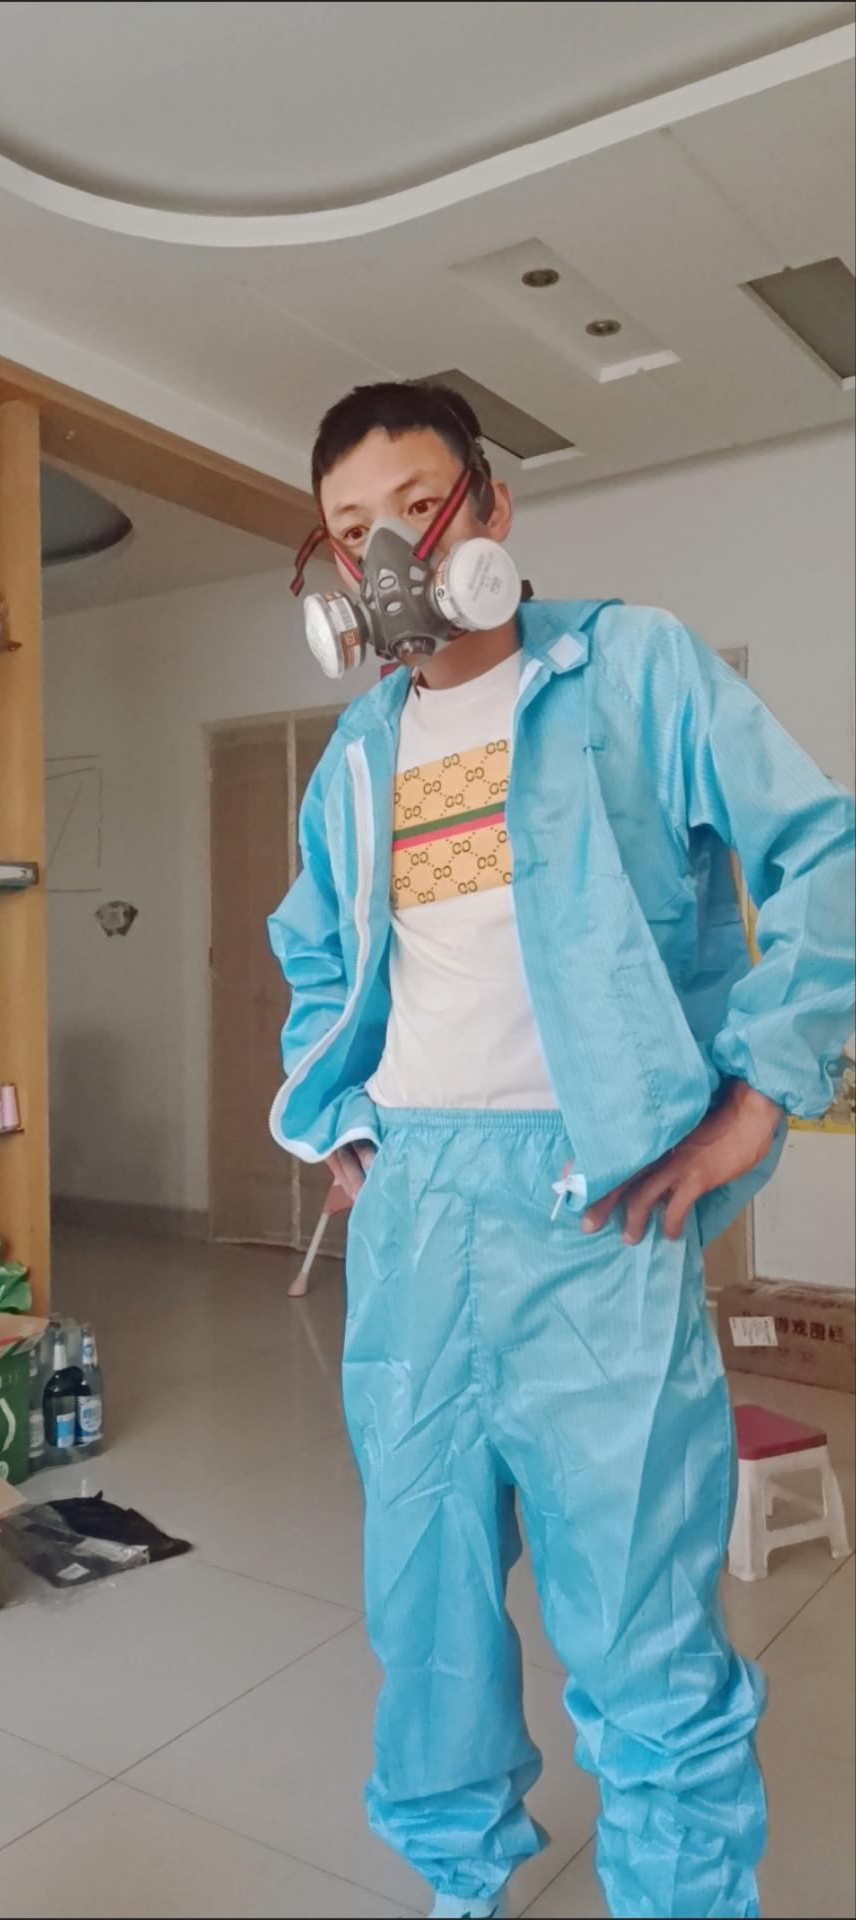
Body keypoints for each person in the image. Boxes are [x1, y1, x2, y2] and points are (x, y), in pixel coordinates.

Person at [267, 380, 855, 1920]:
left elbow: (824, 851)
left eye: (414, 510)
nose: (384, 554)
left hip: (597, 1211)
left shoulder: (634, 673)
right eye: (348, 529)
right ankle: (460, 1881)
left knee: (640, 1619)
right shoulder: (358, 754)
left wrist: (758, 1094)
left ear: (490, 510)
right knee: (427, 1608)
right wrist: (337, 1111)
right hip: (414, 1217)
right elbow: (317, 954)